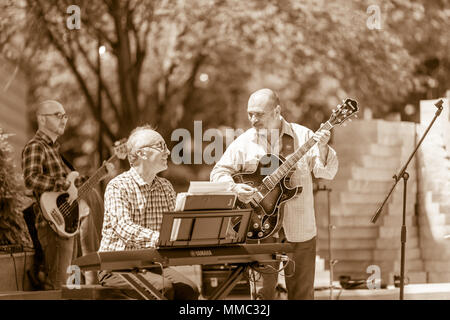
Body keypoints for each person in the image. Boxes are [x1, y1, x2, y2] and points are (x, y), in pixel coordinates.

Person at [210, 88, 338, 300]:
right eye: (250, 113)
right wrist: (235, 188)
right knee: (261, 297)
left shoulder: (304, 135)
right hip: (259, 230)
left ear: (277, 110)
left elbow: (327, 172)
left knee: (302, 296)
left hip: (300, 229)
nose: (253, 119)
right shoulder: (244, 142)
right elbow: (218, 172)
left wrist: (323, 148)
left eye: (258, 113)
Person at [98, 125, 199, 300]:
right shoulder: (117, 185)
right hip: (116, 268)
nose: (168, 152)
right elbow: (123, 227)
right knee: (163, 289)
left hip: (152, 265)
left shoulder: (165, 187)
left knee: (189, 290)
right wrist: (159, 237)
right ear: (142, 153)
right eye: (161, 146)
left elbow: (173, 226)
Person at [22, 100, 111, 290]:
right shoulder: (36, 146)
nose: (64, 120)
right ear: (42, 119)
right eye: (58, 115)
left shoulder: (55, 151)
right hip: (51, 224)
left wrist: (102, 172)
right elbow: (31, 179)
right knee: (60, 287)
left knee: (71, 288)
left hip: (67, 224)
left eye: (65, 116)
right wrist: (62, 183)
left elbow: (74, 186)